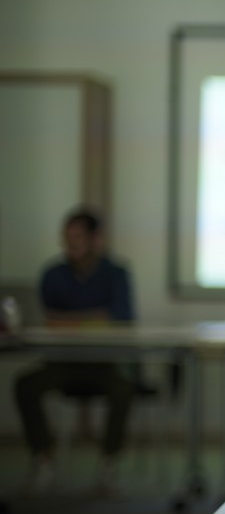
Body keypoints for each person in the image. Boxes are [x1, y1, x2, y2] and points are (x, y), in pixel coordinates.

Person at [14, 206, 137, 494]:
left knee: (124, 389)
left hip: (103, 363)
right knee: (25, 385)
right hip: (63, 362)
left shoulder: (116, 273)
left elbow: (119, 319)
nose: (71, 245)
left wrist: (67, 321)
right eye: (67, 238)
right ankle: (43, 458)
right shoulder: (53, 273)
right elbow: (43, 319)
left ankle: (109, 462)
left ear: (96, 239)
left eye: (78, 237)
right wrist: (93, 317)